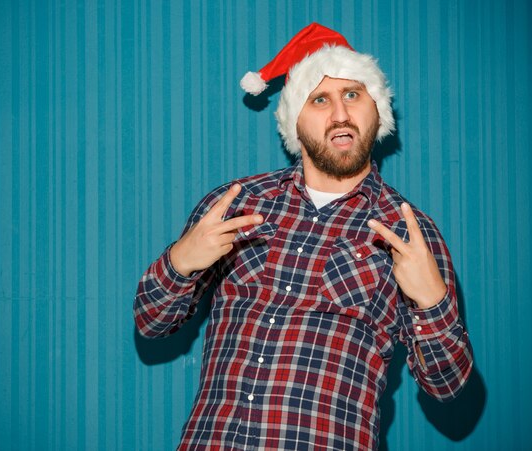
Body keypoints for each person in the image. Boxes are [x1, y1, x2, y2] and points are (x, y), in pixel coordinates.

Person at [134, 23, 473, 450]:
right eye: (319, 99)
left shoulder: (408, 231)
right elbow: (150, 322)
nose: (340, 114)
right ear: (295, 120)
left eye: (353, 94)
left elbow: (449, 386)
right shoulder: (236, 204)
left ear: (377, 109)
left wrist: (432, 302)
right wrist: (181, 261)